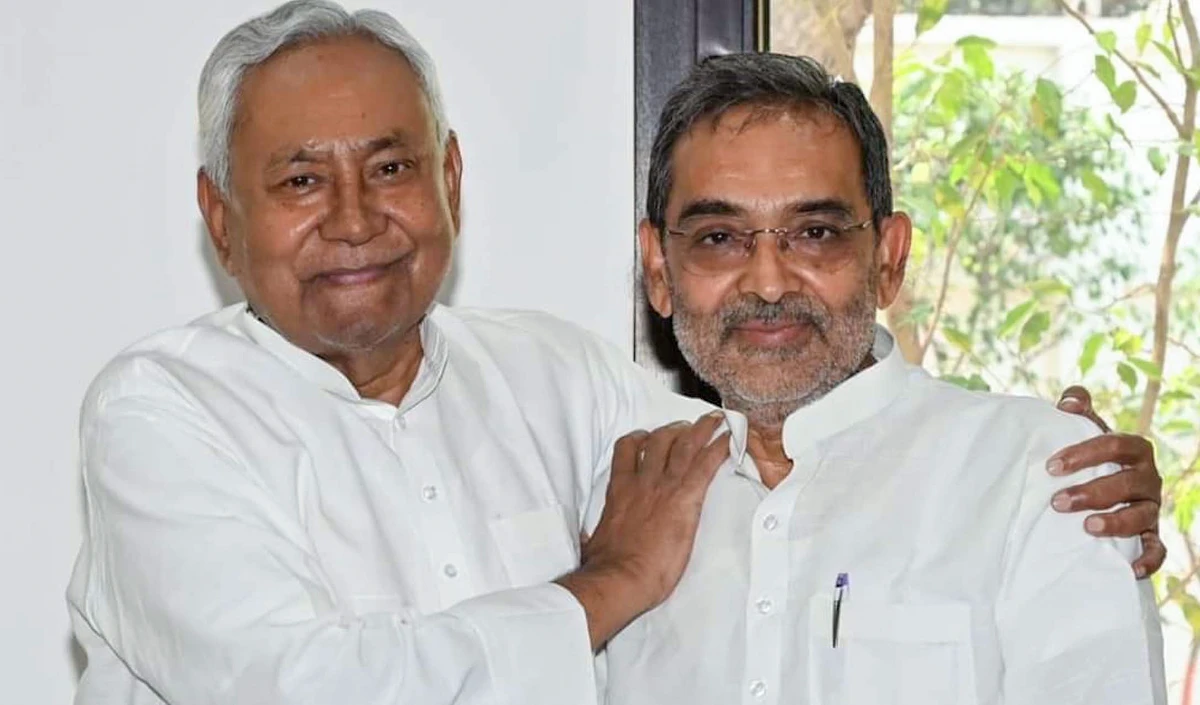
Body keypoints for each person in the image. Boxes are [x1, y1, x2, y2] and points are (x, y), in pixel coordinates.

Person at [66, 3, 1163, 704]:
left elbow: (790, 422)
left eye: (392, 168)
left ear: (450, 182)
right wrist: (603, 587)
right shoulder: (162, 416)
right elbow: (300, 688)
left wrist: (1032, 465)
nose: (356, 219)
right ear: (221, 218)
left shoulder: (564, 383)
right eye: (302, 180)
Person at [600, 52, 1166, 705]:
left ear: (889, 258)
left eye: (815, 233)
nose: (768, 283)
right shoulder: (619, 500)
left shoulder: (1036, 477)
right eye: (720, 238)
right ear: (660, 269)